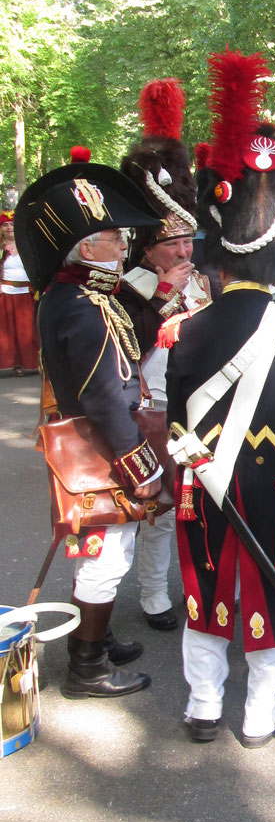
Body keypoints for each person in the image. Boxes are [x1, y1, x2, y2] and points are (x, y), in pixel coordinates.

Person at [167, 48, 275, 747]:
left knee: (206, 587)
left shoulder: (188, 328)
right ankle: (260, 711)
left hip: (203, 480)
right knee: (273, 589)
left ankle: (204, 703)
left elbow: (178, 417)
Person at [15, 149, 163, 697]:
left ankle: (95, 642)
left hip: (99, 438)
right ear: (85, 247)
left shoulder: (76, 294)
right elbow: (104, 398)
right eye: (115, 238)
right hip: (101, 447)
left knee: (103, 552)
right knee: (106, 554)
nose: (125, 246)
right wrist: (140, 468)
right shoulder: (81, 303)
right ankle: (88, 667)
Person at [118, 77, 210, 633]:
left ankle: (196, 586)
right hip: (145, 409)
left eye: (186, 243)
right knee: (151, 512)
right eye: (170, 244)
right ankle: (153, 595)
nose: (181, 251)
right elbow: (130, 341)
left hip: (197, 405)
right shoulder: (128, 285)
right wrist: (159, 293)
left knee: (193, 504)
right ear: (147, 247)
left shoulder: (202, 281)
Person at [0, 209, 38, 375]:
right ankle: (14, 365)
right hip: (5, 293)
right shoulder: (1, 248)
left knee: (29, 330)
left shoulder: (27, 244)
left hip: (27, 292)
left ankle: (34, 363)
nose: (9, 228)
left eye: (11, 224)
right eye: (5, 224)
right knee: (9, 332)